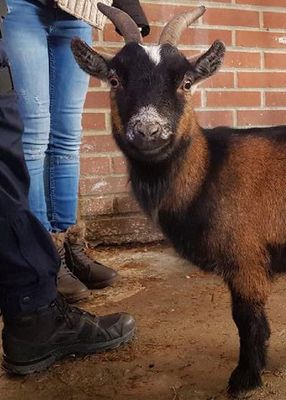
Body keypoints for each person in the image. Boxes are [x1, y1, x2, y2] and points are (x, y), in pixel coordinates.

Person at [0, 0, 146, 374]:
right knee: (32, 137)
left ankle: (70, 249)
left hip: (77, 13)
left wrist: (128, 7)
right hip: (20, 7)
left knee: (67, 138)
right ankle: (43, 258)